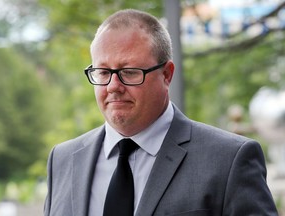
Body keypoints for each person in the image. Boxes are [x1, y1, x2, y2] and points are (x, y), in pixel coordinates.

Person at [44, 9, 278, 216]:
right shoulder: (63, 160)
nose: (113, 86)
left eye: (130, 71)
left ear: (166, 74)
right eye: (103, 72)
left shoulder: (228, 160)